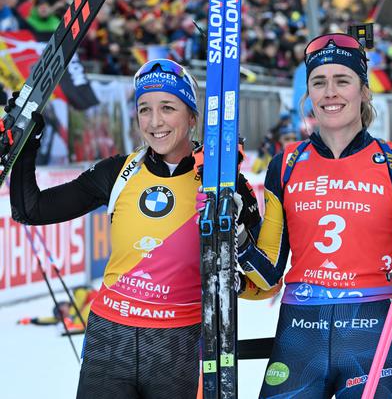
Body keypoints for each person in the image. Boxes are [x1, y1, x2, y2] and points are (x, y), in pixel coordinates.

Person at [9, 59, 271, 399]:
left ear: (192, 116)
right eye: (144, 109)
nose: (154, 121)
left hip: (181, 342)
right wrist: (26, 144)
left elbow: (265, 283)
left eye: (167, 108)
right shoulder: (118, 171)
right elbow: (31, 209)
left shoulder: (223, 183)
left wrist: (234, 238)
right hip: (110, 336)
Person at [235, 32, 392, 398]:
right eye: (319, 83)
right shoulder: (287, 164)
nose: (330, 93)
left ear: (363, 90)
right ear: (308, 92)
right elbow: (268, 273)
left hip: (371, 330)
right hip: (299, 332)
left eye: (342, 80)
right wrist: (239, 238)